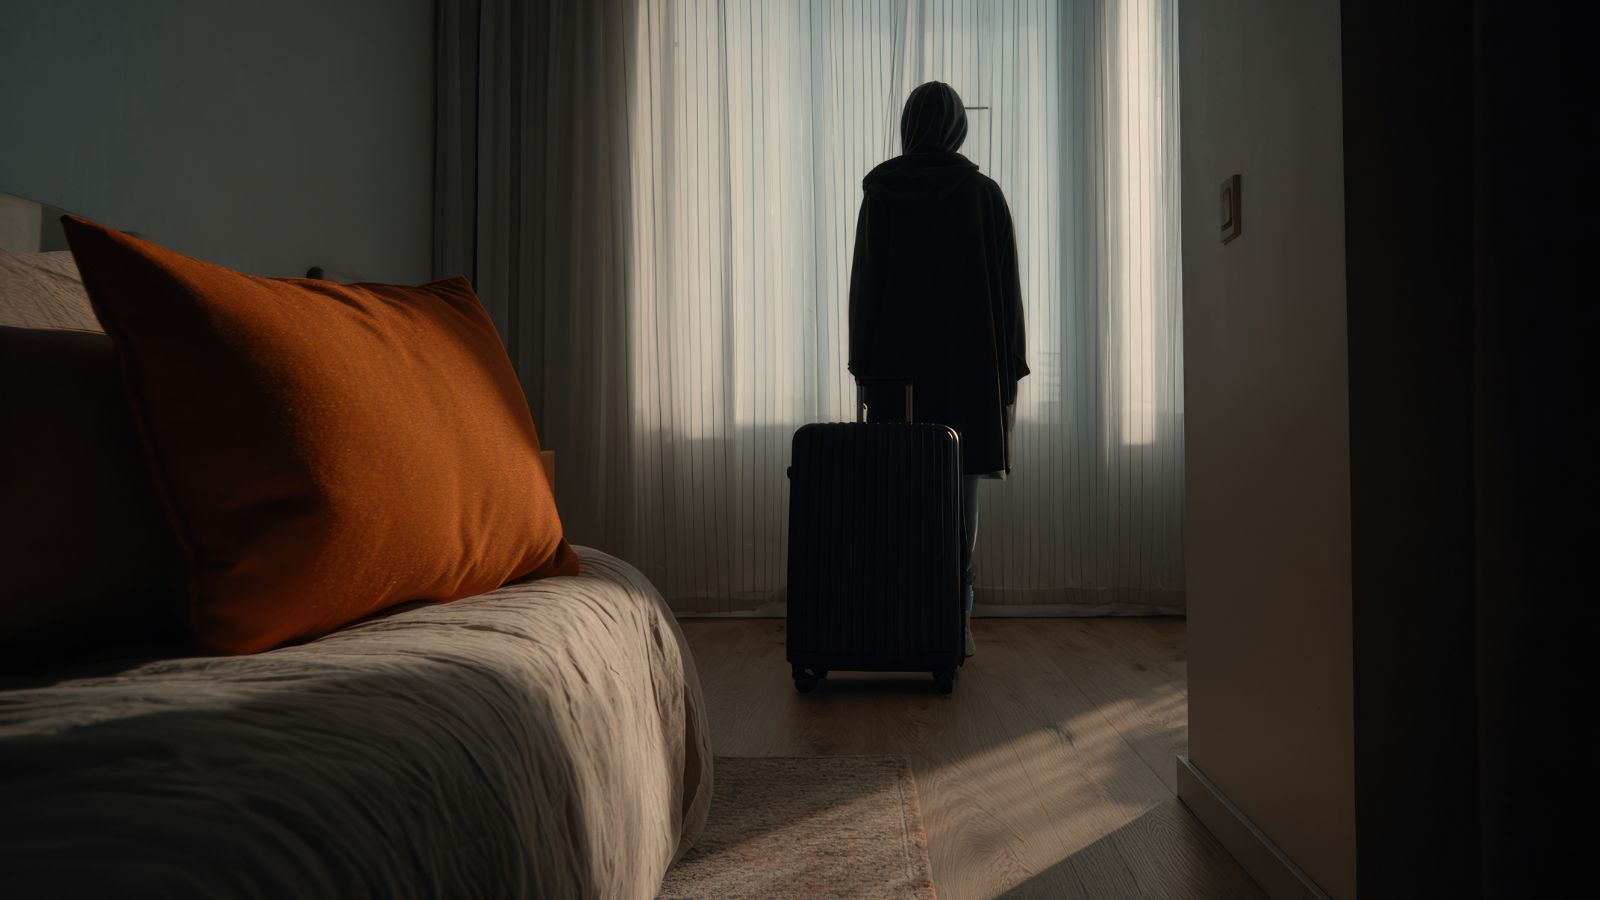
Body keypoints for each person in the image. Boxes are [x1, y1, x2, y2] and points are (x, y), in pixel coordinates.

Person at [847, 81, 1029, 659]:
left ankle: (896, 618)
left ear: (909, 126)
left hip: (895, 374)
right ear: (957, 128)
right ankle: (957, 620)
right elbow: (1007, 295)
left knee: (896, 496)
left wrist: (861, 366)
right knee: (958, 502)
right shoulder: (984, 195)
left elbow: (865, 288)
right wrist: (1010, 370)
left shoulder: (881, 193)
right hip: (970, 370)